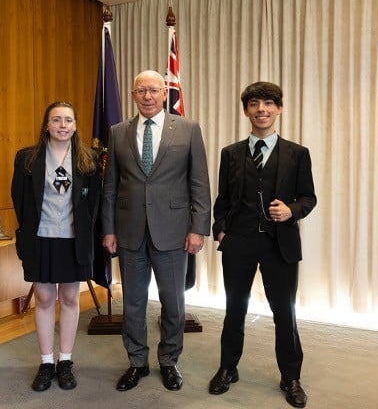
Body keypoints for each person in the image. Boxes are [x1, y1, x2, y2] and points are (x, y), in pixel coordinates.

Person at [208, 82, 316, 408]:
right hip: (238, 243)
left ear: (279, 108)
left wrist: (292, 211)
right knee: (234, 310)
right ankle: (228, 367)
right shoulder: (230, 153)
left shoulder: (298, 154)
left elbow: (309, 198)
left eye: (269, 103)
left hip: (279, 245)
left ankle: (291, 376)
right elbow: (222, 200)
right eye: (254, 104)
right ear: (246, 111)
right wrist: (221, 230)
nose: (261, 109)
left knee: (284, 313)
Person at [102, 70, 211, 392]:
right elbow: (110, 187)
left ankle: (169, 361)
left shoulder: (188, 129)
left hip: (174, 232)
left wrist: (198, 229)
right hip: (130, 232)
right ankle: (137, 362)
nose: (147, 96)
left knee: (173, 302)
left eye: (153, 90)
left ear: (165, 93)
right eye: (141, 91)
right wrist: (108, 229)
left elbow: (199, 183)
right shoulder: (118, 132)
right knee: (133, 303)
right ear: (133, 96)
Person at [11, 101, 101, 392]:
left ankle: (65, 361)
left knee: (72, 299)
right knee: (46, 299)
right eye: (56, 120)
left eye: (68, 120)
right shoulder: (27, 158)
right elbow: (19, 198)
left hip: (74, 240)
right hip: (41, 239)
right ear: (46, 125)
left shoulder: (88, 159)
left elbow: (93, 203)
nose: (63, 125)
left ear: (75, 126)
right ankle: (46, 362)